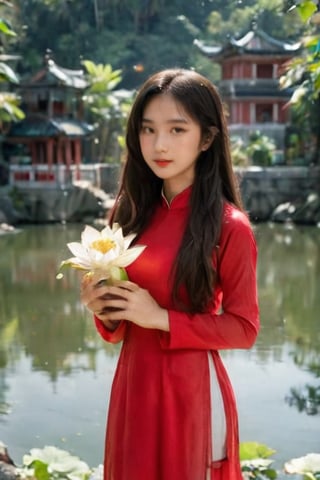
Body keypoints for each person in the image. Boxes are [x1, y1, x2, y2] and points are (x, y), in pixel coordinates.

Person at [80, 68, 259, 480]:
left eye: (177, 129)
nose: (159, 144)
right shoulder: (129, 214)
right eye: (148, 130)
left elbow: (244, 328)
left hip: (190, 390)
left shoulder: (229, 226)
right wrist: (105, 308)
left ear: (208, 138)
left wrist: (158, 317)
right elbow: (121, 326)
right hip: (134, 382)